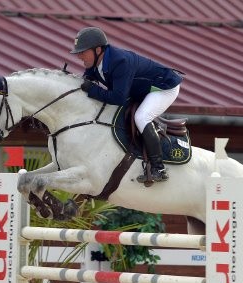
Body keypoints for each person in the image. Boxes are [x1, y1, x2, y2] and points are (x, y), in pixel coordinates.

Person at [70, 27, 183, 184]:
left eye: (83, 52)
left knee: (142, 117)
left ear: (98, 50)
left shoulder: (120, 61)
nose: (79, 56)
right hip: (141, 90)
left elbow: (118, 98)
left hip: (164, 87)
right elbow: (85, 82)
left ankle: (159, 168)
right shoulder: (96, 63)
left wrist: (92, 89)